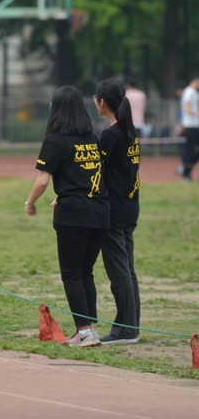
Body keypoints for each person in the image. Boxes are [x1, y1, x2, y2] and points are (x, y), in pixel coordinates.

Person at [24, 85, 110, 348]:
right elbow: (89, 174)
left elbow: (42, 180)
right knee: (86, 273)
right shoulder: (91, 137)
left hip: (74, 214)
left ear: (57, 110)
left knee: (72, 274)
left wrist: (30, 203)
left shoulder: (54, 139)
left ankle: (84, 331)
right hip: (99, 210)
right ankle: (89, 330)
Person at [93, 78, 141, 345]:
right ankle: (132, 326)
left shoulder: (111, 135)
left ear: (102, 102)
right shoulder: (129, 131)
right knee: (128, 269)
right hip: (131, 207)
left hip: (114, 210)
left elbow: (97, 172)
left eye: (96, 97)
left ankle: (124, 330)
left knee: (119, 271)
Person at [180, 75, 199, 181]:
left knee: (192, 151)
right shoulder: (189, 91)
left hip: (195, 125)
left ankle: (186, 171)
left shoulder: (194, 92)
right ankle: (186, 173)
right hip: (190, 125)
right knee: (190, 151)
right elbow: (187, 108)